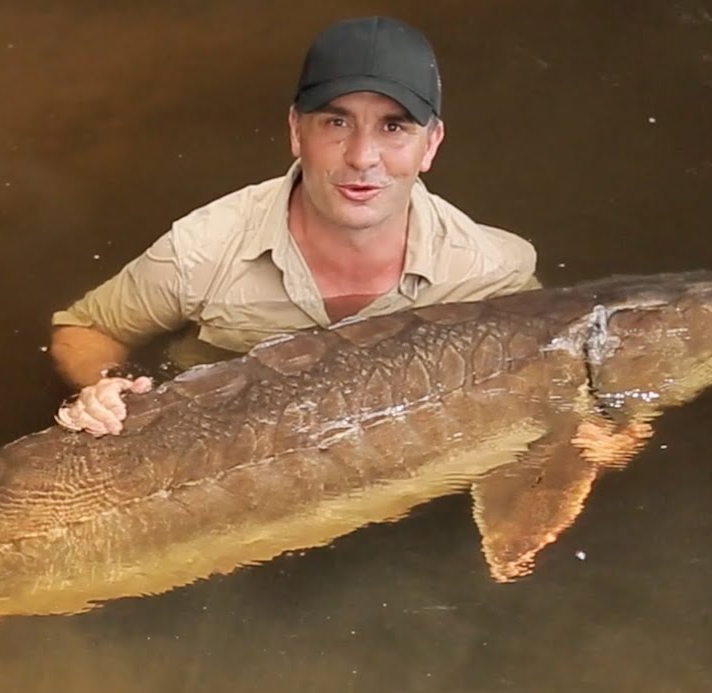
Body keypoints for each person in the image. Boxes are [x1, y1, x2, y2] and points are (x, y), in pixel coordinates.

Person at [50, 15, 540, 437]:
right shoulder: (203, 249)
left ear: (430, 144)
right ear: (295, 131)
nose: (362, 157)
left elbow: (543, 380)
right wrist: (109, 385)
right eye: (336, 123)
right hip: (206, 440)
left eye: (394, 127)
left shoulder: (491, 276)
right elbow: (83, 329)